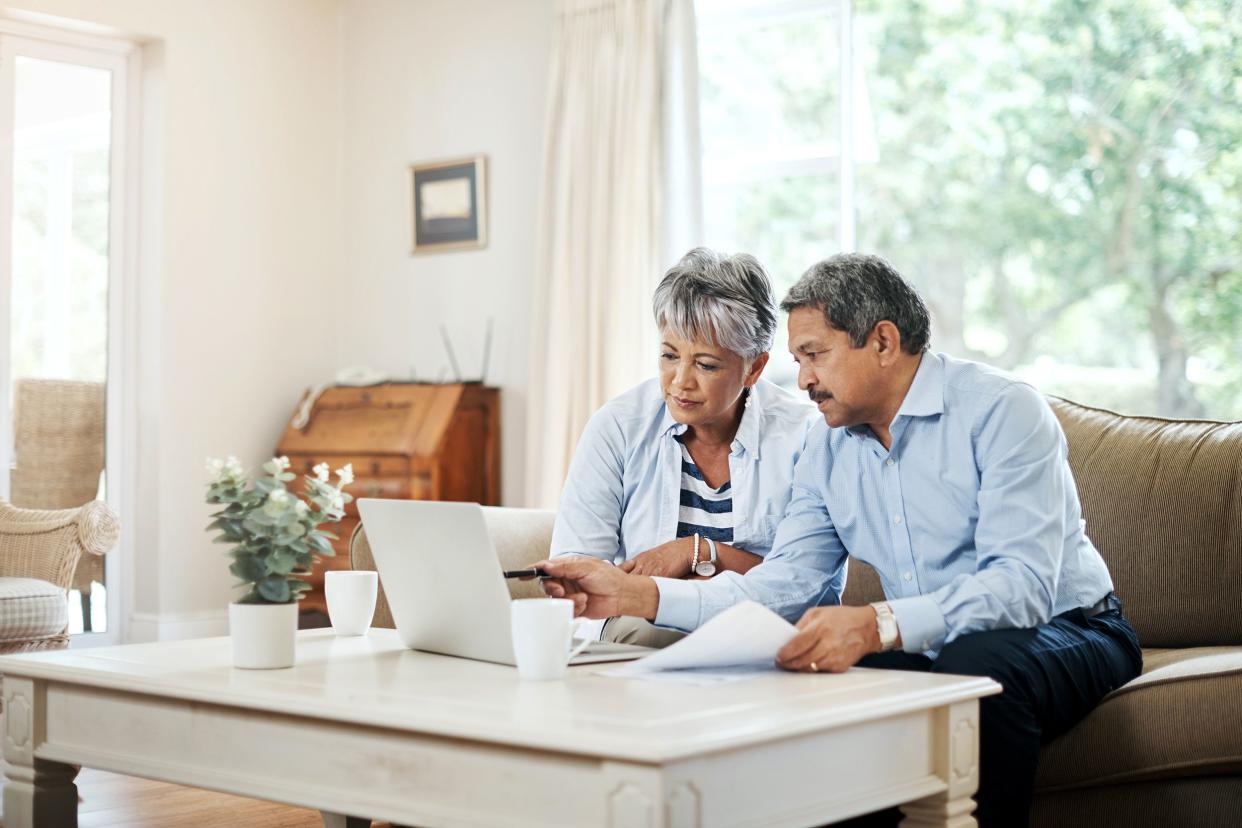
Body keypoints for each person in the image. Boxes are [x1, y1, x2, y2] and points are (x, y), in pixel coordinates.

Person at [538, 253, 1142, 827]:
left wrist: (875, 624)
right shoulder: (824, 446)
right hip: (940, 642)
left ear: (882, 342)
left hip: (1072, 626)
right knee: (819, 689)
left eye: (814, 355)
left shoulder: (1003, 411)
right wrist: (636, 596)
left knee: (971, 670)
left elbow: (1023, 588)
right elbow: (784, 586)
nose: (800, 380)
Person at [550, 247, 821, 648]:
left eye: (706, 365)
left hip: (758, 638)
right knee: (645, 633)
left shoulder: (804, 438)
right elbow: (576, 569)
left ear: (755, 368)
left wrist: (698, 552)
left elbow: (809, 588)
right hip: (639, 636)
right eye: (669, 356)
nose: (680, 382)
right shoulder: (619, 427)